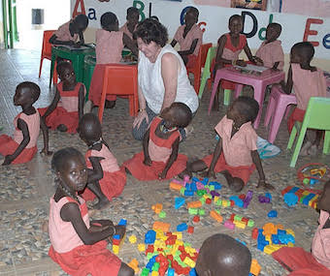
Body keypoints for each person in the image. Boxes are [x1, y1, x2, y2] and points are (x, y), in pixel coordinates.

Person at [48, 147, 134, 276]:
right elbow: (87, 240)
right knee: (127, 272)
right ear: (59, 175)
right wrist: (113, 230)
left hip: (68, 239)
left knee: (107, 222)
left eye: (83, 170)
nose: (81, 178)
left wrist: (108, 228)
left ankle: (107, 232)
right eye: (73, 173)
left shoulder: (64, 190)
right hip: (73, 254)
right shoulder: (69, 206)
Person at [183, 96, 273, 192]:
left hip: (241, 167)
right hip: (223, 158)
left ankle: (226, 173)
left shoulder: (249, 132)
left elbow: (255, 155)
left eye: (232, 108)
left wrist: (262, 179)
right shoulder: (226, 120)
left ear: (240, 117)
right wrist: (211, 169)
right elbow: (219, 145)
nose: (228, 109)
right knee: (193, 167)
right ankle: (220, 168)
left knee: (236, 186)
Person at [132, 19, 199, 141]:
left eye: (147, 44)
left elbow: (170, 94)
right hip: (156, 103)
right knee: (138, 134)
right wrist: (142, 110)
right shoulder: (142, 53)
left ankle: (185, 129)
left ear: (158, 42)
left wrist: (158, 121)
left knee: (159, 138)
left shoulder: (167, 58)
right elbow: (140, 81)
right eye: (139, 43)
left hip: (178, 107)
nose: (142, 48)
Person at [272, 180, 330, 276]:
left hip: (326, 269)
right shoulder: (326, 214)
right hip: (315, 259)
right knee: (284, 253)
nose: (319, 196)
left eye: (323, 195)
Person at [280, 42, 326, 155]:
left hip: (303, 111)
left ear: (301, 58)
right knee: (321, 122)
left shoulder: (294, 68)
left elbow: (287, 90)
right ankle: (316, 143)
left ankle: (305, 140)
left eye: (293, 55)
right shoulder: (318, 71)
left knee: (292, 120)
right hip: (322, 110)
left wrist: (281, 83)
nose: (290, 58)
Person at [124, 102, 191, 181]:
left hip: (166, 162)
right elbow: (146, 139)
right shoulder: (156, 121)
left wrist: (165, 171)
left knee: (186, 175)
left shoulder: (175, 136)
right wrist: (146, 157)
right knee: (128, 169)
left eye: (169, 109)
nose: (166, 109)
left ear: (175, 122)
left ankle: (184, 166)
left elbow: (173, 156)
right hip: (150, 157)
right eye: (168, 108)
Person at [88, 11, 138, 110]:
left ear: (102, 25)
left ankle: (94, 103)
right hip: (113, 73)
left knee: (97, 97)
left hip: (98, 72)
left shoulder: (99, 33)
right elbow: (136, 51)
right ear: (116, 22)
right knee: (111, 104)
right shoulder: (122, 36)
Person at [78, 113, 126, 210]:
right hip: (117, 176)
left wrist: (85, 182)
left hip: (112, 182)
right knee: (85, 171)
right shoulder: (101, 141)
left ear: (82, 137)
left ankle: (103, 198)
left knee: (85, 175)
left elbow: (99, 175)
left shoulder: (93, 154)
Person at [211, 14, 258, 110]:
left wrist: (256, 60)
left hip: (234, 65)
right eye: (233, 25)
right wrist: (235, 62)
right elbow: (218, 58)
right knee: (218, 66)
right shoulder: (224, 38)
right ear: (229, 26)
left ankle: (246, 100)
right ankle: (215, 98)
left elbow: (249, 56)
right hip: (223, 62)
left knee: (251, 66)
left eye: (238, 25)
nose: (236, 27)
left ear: (242, 26)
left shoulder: (243, 38)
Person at [0, 82, 51, 165]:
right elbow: (45, 129)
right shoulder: (36, 112)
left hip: (20, 152)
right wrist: (46, 148)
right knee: (5, 138)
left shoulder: (22, 118)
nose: (14, 97)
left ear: (30, 99)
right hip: (31, 150)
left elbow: (26, 139)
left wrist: (12, 157)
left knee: (2, 142)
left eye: (19, 95)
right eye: (15, 94)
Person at [39, 61, 86, 134]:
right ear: (60, 77)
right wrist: (44, 116)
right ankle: (45, 122)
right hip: (62, 110)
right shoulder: (59, 86)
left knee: (63, 126)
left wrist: (81, 125)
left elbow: (80, 108)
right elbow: (54, 104)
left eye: (73, 73)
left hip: (74, 114)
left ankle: (51, 123)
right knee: (40, 113)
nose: (72, 77)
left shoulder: (80, 87)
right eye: (67, 75)